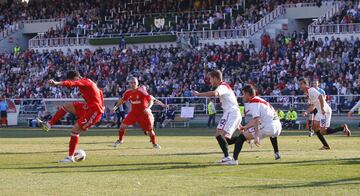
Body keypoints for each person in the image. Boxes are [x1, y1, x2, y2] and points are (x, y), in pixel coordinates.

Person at [37, 71, 105, 163]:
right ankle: (49, 124)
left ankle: (70, 157)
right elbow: (100, 92)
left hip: (94, 111)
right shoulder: (88, 82)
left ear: (76, 77)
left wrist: (57, 83)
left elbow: (72, 83)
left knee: (75, 130)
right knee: (67, 106)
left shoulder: (84, 81)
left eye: (71, 80)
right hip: (89, 107)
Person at [193, 70, 242, 164]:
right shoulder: (226, 86)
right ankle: (243, 139)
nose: (210, 81)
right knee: (224, 137)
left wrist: (198, 94)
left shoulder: (222, 86)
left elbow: (214, 94)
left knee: (219, 134)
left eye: (210, 79)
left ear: (215, 78)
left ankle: (227, 156)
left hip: (231, 113)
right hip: (232, 113)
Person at [225, 85, 282, 165]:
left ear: (248, 94)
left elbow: (256, 120)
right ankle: (277, 153)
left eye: (243, 94)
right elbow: (256, 119)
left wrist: (256, 136)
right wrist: (246, 127)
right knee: (270, 135)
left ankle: (234, 159)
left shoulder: (253, 102)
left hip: (269, 126)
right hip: (277, 126)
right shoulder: (260, 100)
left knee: (241, 137)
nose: (243, 96)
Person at [112, 77, 167, 149]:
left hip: (143, 114)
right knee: (122, 127)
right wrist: (116, 107)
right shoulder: (128, 92)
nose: (133, 84)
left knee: (150, 131)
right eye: (131, 83)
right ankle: (120, 140)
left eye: (134, 82)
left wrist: (148, 108)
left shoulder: (142, 91)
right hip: (133, 114)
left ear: (137, 83)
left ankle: (154, 144)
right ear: (129, 84)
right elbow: (122, 100)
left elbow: (151, 100)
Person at [299, 78, 351, 150]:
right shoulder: (308, 93)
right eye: (300, 84)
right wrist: (306, 112)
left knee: (323, 132)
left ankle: (342, 128)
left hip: (325, 111)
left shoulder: (311, 90)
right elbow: (313, 106)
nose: (300, 85)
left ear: (306, 84)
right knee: (314, 127)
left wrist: (323, 108)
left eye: (301, 84)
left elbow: (321, 97)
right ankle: (326, 146)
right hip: (320, 111)